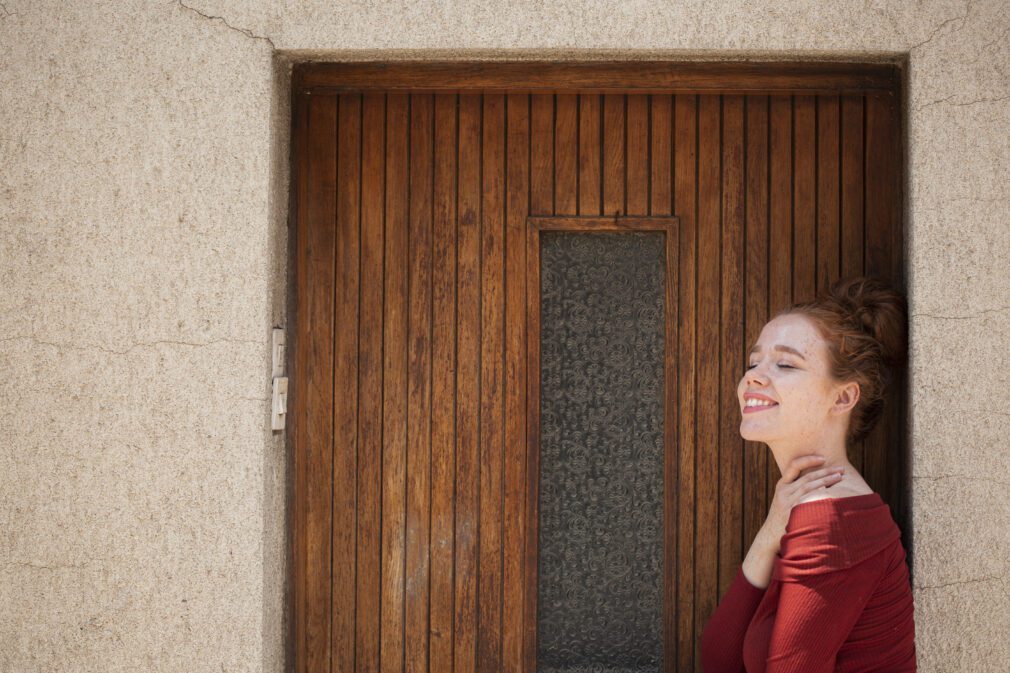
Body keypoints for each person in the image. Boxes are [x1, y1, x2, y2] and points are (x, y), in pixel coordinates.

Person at [699, 275, 917, 673]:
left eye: (784, 364)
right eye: (753, 361)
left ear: (844, 397)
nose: (754, 376)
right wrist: (771, 530)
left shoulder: (834, 518)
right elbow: (719, 657)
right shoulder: (806, 507)